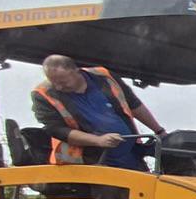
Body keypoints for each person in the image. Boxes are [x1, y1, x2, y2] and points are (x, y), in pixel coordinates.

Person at [30, 56, 165, 170]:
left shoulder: (104, 76)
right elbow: (57, 130)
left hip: (130, 155)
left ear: (76, 70)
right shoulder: (43, 94)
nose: (59, 87)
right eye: (54, 83)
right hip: (89, 164)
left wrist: (158, 131)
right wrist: (98, 140)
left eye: (63, 82)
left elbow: (133, 104)